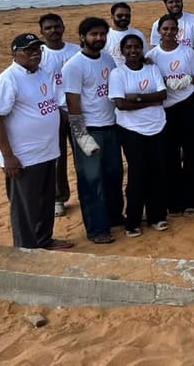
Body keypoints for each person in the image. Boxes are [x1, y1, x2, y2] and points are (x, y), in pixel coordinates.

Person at [0, 33, 73, 250]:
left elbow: (54, 104)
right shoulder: (8, 80)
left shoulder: (43, 73)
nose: (35, 54)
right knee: (25, 208)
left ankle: (44, 240)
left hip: (48, 150)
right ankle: (25, 248)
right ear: (14, 54)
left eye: (38, 49)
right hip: (24, 156)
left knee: (45, 203)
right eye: (29, 50)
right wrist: (8, 156)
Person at [62, 17, 122, 244]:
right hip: (90, 130)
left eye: (102, 34)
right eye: (93, 34)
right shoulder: (74, 66)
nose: (98, 38)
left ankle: (115, 217)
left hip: (111, 126)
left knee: (113, 175)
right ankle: (96, 229)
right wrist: (81, 135)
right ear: (82, 37)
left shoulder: (108, 59)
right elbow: (73, 103)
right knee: (91, 180)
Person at [108, 34, 169, 238]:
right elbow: (121, 104)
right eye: (128, 47)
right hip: (131, 130)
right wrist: (149, 101)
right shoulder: (118, 74)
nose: (133, 51)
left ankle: (156, 216)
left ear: (142, 49)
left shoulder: (152, 68)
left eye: (136, 47)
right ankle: (132, 220)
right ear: (122, 51)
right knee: (137, 174)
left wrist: (138, 98)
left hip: (157, 127)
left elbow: (162, 95)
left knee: (158, 172)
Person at [146, 14, 194, 217]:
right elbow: (150, 83)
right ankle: (174, 201)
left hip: (187, 105)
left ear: (178, 31)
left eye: (173, 29)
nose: (170, 32)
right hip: (165, 109)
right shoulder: (152, 56)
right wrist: (166, 84)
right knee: (169, 155)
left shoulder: (187, 52)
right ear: (159, 31)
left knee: (192, 154)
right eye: (165, 29)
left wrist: (186, 82)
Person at [38, 13, 79, 218]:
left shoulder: (76, 51)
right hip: (52, 113)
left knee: (83, 154)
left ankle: (88, 193)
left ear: (63, 27)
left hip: (76, 111)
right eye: (48, 28)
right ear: (42, 32)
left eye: (56, 26)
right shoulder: (39, 55)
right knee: (57, 157)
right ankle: (58, 198)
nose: (53, 31)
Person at [103, 2, 145, 68]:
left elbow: (145, 55)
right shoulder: (105, 36)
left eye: (127, 16)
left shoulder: (138, 34)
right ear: (112, 16)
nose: (124, 18)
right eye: (119, 16)